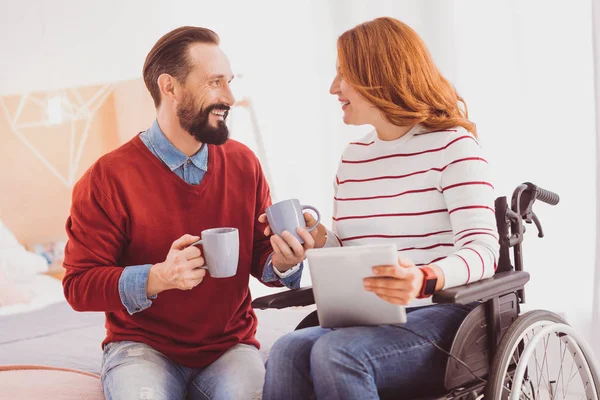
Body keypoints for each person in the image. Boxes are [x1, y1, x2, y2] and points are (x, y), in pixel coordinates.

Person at [62, 26, 313, 400]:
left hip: (229, 347)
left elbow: (262, 259)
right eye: (214, 83)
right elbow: (78, 286)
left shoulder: (243, 163)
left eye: (229, 82)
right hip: (141, 349)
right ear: (170, 87)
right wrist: (158, 277)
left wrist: (283, 261)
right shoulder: (107, 179)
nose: (229, 96)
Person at [261, 17, 500, 400]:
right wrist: (319, 240)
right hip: (373, 318)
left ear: (379, 75)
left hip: (446, 316)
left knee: (336, 353)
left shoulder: (454, 148)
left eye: (344, 75)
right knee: (288, 350)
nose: (333, 88)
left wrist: (424, 277)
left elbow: (485, 250)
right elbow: (352, 256)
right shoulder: (354, 158)